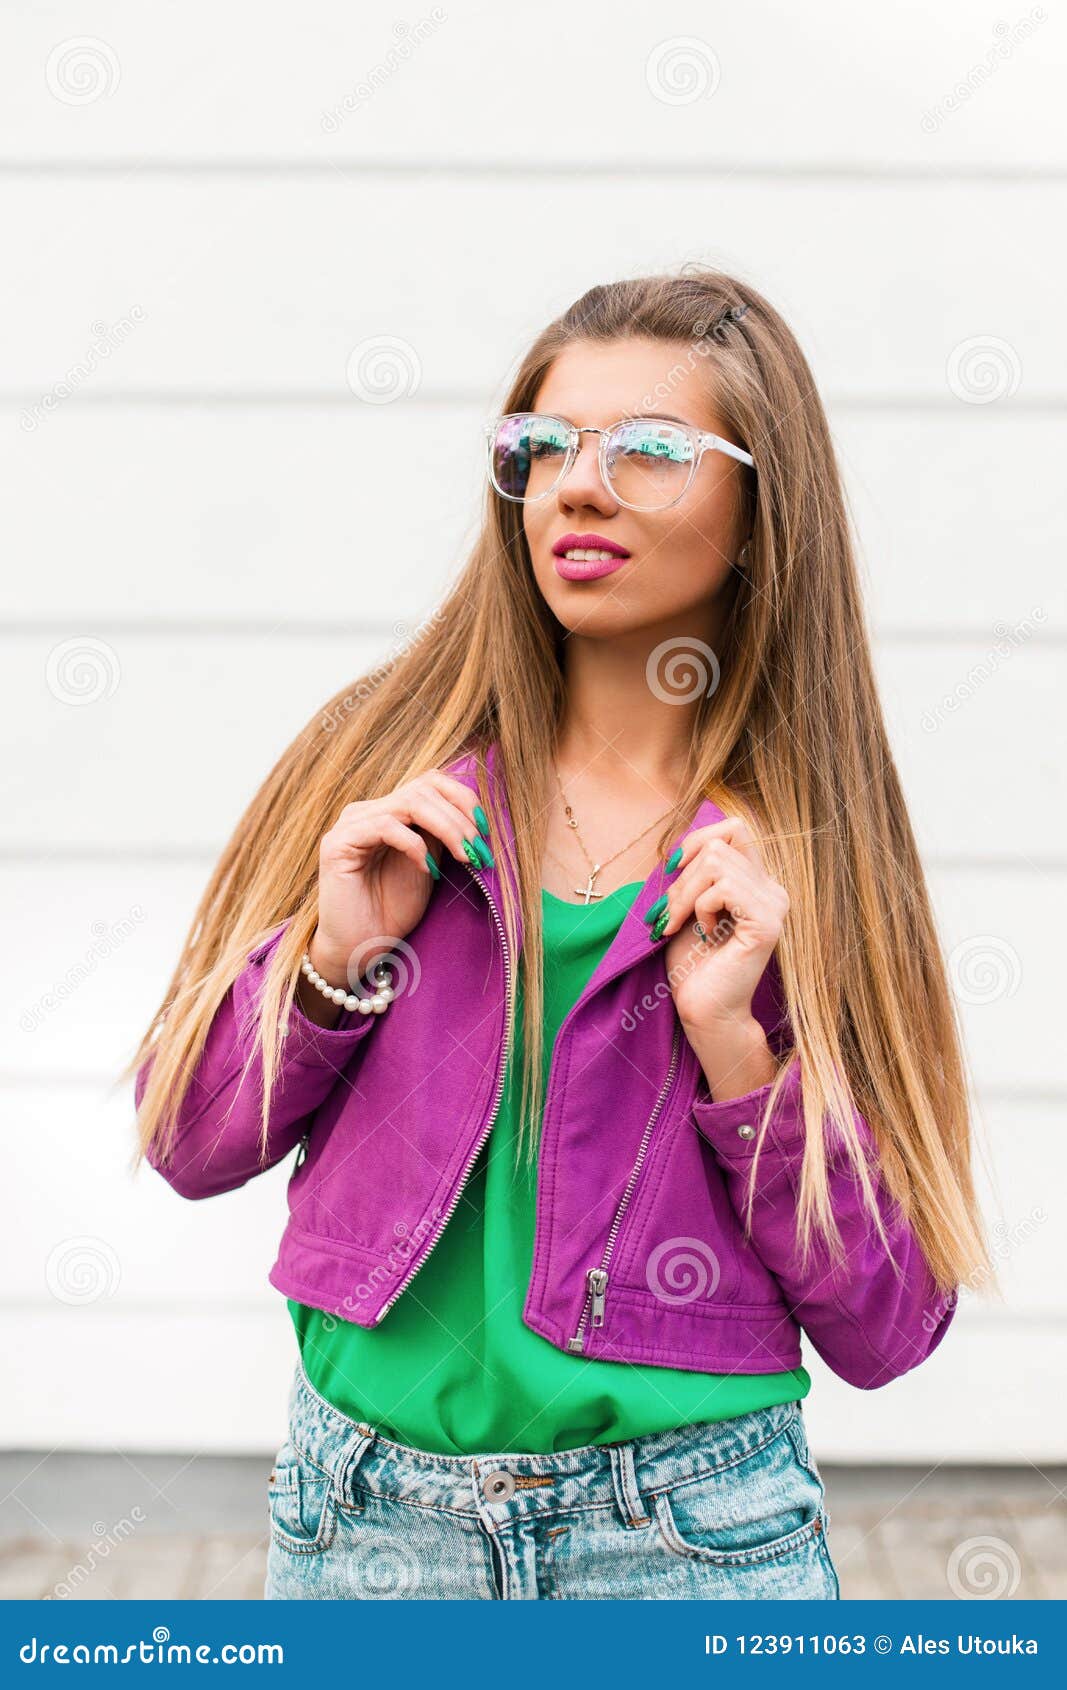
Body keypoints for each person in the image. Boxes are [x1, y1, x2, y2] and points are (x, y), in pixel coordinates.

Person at [130, 269, 991, 1601]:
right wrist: (334, 970)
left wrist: (738, 1051)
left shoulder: (805, 855)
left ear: (765, 513)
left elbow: (886, 1321)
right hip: (366, 1533)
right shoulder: (387, 766)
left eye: (651, 451)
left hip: (693, 1542)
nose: (579, 488)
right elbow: (185, 1139)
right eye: (543, 448)